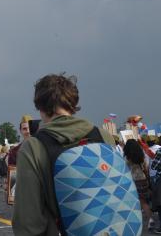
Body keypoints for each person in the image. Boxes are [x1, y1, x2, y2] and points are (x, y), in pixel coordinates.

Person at [12, 73, 115, 235]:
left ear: (40, 107)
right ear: (72, 103)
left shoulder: (33, 147)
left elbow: (28, 220)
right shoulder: (103, 136)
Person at [123, 139, 152, 230]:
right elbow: (146, 168)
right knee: (144, 201)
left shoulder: (126, 158)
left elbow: (125, 170)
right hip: (143, 180)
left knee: (137, 202)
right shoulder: (142, 156)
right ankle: (150, 219)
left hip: (132, 181)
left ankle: (148, 221)